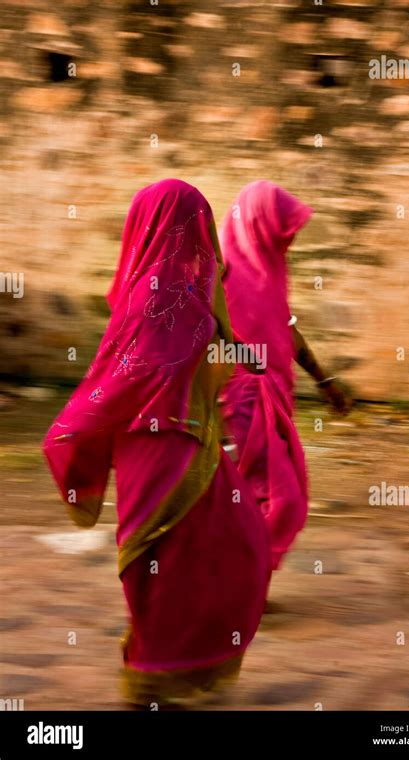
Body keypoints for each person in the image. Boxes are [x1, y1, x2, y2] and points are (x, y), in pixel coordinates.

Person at [43, 179, 270, 707]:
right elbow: (124, 378)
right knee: (165, 566)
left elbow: (201, 356)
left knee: (235, 551)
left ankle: (181, 667)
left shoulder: (189, 295)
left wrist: (238, 352)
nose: (207, 237)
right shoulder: (153, 300)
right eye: (199, 224)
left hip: (195, 444)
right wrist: (76, 423)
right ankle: (156, 672)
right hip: (160, 449)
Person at [219, 180, 349, 574]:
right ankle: (241, 580)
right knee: (276, 496)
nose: (287, 242)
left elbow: (285, 327)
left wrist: (324, 381)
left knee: (272, 495)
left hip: (275, 398)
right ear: (259, 225)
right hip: (240, 401)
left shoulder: (268, 269)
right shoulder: (218, 274)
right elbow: (200, 341)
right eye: (281, 231)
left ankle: (242, 578)